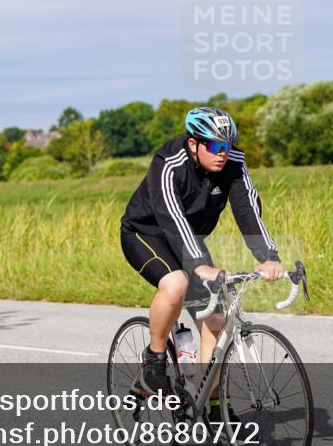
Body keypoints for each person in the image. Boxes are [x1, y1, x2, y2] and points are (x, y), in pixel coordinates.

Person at [120, 107, 284, 423]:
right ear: (193, 144)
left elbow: (248, 211)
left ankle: (211, 404)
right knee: (176, 284)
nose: (224, 154)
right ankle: (154, 360)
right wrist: (198, 265)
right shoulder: (169, 163)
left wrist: (269, 256)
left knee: (216, 320)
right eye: (215, 147)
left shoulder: (234, 164)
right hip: (146, 234)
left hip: (189, 241)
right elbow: (171, 216)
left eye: (228, 146)